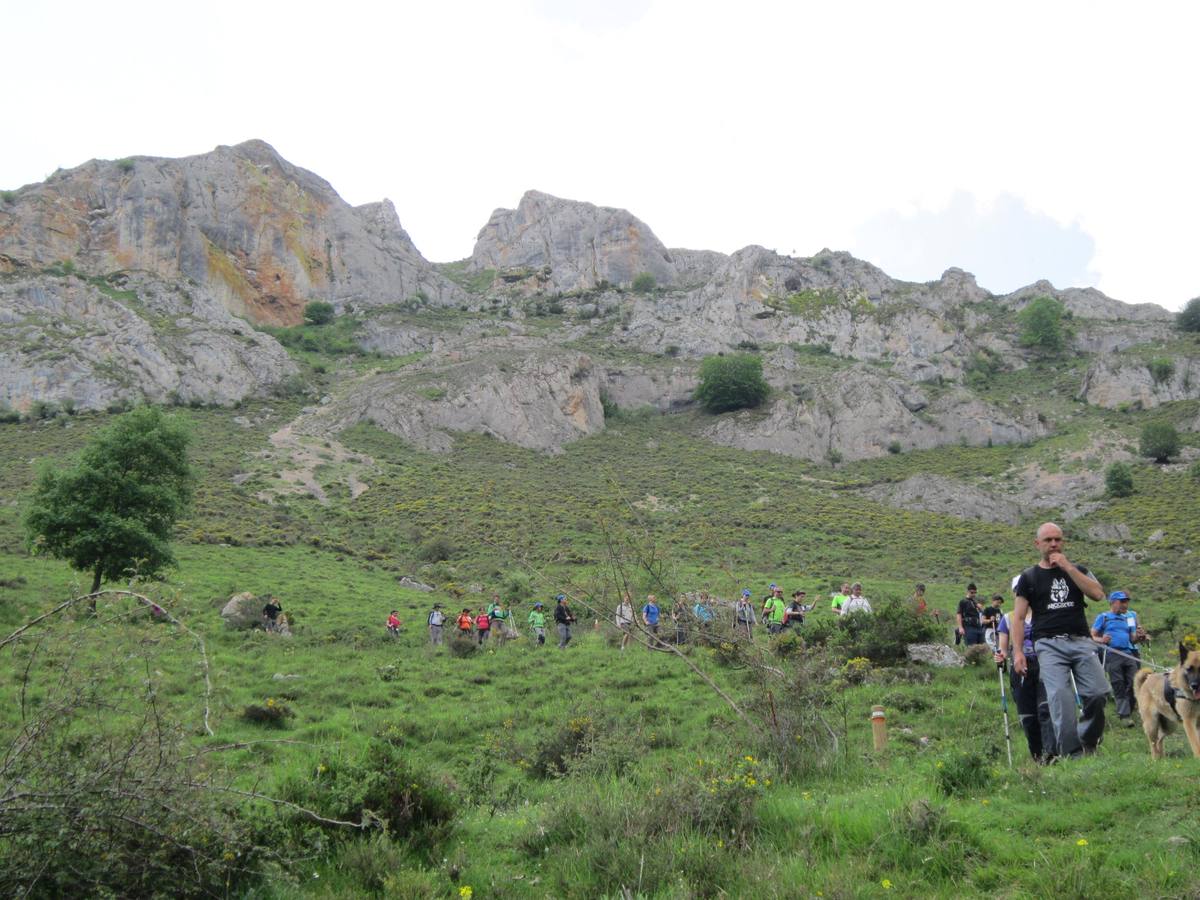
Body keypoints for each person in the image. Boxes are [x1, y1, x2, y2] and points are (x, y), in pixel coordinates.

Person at [1012, 522, 1108, 758]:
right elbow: (1018, 617)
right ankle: (1073, 756)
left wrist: (1069, 568)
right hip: (1048, 645)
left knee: (1098, 693)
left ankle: (1088, 739)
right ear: (1037, 544)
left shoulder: (1079, 570)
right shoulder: (1028, 577)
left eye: (1058, 539)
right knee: (1060, 701)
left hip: (1081, 641)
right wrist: (1017, 652)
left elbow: (1097, 594)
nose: (1054, 544)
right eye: (1048, 540)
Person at [994, 584, 1057, 763]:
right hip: (1020, 667)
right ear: (1015, 593)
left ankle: (1051, 754)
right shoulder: (1008, 618)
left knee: (1046, 708)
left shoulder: (1043, 614)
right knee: (1027, 716)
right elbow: (1004, 649)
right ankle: (1037, 755)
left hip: (1045, 664)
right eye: (1018, 591)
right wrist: (1001, 656)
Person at [1091, 590, 1148, 726]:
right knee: (1118, 684)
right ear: (1113, 602)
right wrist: (1101, 639)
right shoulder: (1104, 617)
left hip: (1128, 654)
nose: (1125, 605)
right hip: (1112, 654)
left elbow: (1132, 640)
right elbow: (1091, 635)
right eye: (1122, 602)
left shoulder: (1127, 618)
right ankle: (1124, 716)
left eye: (1126, 602)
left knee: (1135, 682)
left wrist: (1140, 637)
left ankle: (1130, 708)